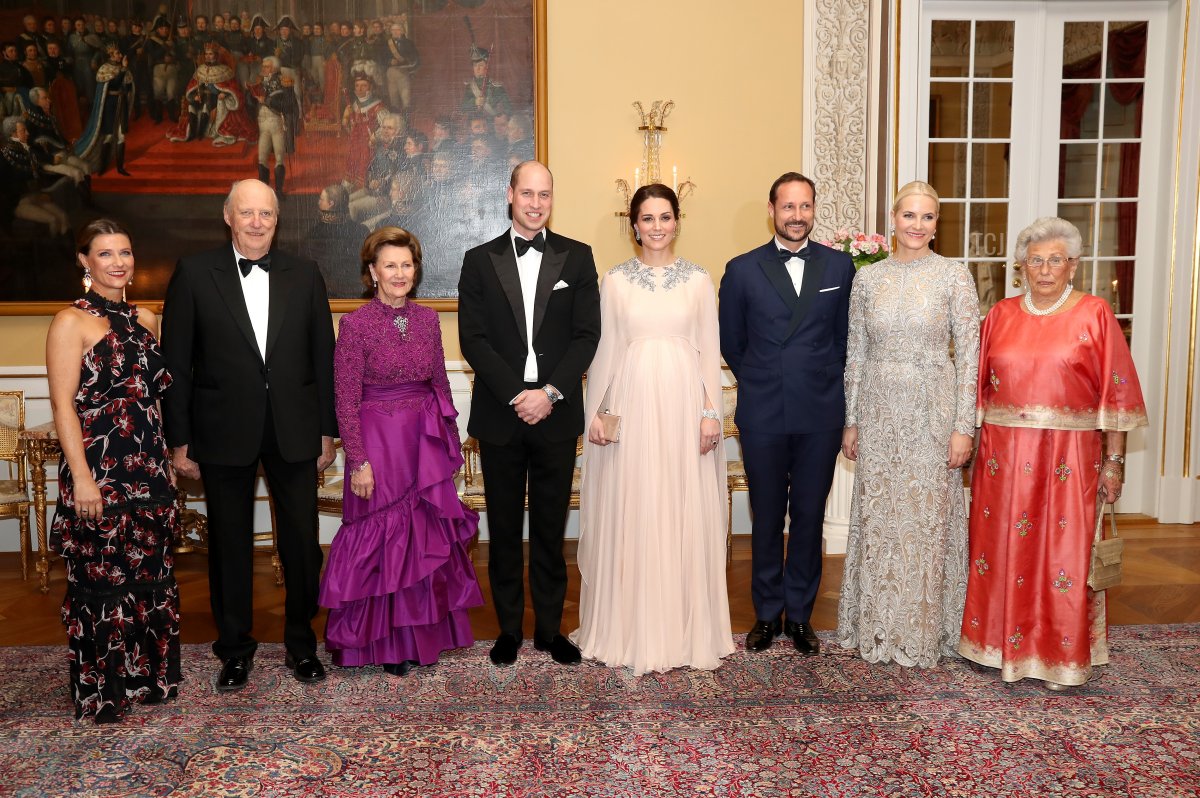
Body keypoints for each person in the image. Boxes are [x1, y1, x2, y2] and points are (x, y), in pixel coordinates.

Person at [161, 178, 337, 690]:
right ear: (228, 216)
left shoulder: (304, 274)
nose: (257, 222)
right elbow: (177, 364)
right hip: (221, 431)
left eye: (266, 213)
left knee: (303, 544)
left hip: (295, 430)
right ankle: (234, 650)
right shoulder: (194, 274)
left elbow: (322, 359)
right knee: (229, 545)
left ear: (276, 220)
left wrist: (328, 431)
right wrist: (180, 438)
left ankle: (302, 644)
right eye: (248, 213)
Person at [959, 217, 1147, 690]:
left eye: (1055, 260)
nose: (1044, 270)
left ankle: (1058, 654)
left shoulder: (1094, 314)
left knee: (1063, 554)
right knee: (999, 547)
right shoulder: (999, 314)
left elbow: (1117, 395)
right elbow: (975, 390)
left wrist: (1115, 461)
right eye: (1035, 261)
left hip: (1069, 457)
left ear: (1073, 266)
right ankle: (996, 646)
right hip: (1001, 458)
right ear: (1021, 267)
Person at [570, 183, 733, 674]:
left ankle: (685, 631)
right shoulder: (614, 281)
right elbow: (605, 352)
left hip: (685, 407)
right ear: (634, 225)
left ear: (677, 221)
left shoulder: (701, 281)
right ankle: (627, 627)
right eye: (647, 218)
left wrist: (711, 415)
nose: (657, 227)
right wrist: (595, 411)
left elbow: (709, 349)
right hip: (633, 407)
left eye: (665, 217)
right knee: (637, 508)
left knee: (681, 509)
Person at [320, 227, 483, 675]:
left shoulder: (429, 319)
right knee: (384, 538)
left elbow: (441, 382)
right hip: (378, 442)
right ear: (372, 272)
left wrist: (448, 441)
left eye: (406, 265)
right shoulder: (354, 325)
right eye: (389, 265)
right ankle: (382, 646)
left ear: (416, 270)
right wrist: (359, 460)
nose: (399, 273)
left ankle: (420, 637)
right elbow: (345, 399)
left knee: (422, 538)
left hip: (422, 442)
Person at [458, 160, 601, 666]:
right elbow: (471, 338)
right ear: (510, 194)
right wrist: (516, 395)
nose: (536, 204)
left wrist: (552, 393)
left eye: (545, 194)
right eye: (527, 194)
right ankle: (508, 632)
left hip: (556, 413)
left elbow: (587, 336)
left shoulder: (578, 258)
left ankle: (549, 629)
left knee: (548, 526)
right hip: (501, 413)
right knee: (502, 528)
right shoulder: (478, 260)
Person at [835, 181, 979, 667]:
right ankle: (876, 626)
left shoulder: (954, 277)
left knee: (927, 521)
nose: (917, 226)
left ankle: (925, 630)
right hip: (878, 412)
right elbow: (855, 353)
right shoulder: (868, 280)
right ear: (892, 218)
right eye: (909, 215)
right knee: (881, 519)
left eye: (928, 217)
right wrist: (851, 419)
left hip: (933, 413)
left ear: (937, 224)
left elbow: (971, 359)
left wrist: (965, 426)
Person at [46, 219, 181, 723]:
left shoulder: (147, 318)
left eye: (124, 252)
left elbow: (157, 400)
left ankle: (149, 679)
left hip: (148, 465)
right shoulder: (70, 322)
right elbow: (63, 407)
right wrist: (81, 477)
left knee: (150, 576)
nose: (118, 262)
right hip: (99, 468)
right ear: (85, 261)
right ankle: (103, 691)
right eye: (105, 254)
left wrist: (167, 457)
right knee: (102, 580)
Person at [719, 172, 856, 655]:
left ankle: (799, 616)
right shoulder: (742, 270)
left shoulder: (840, 268)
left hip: (820, 412)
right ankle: (764, 614)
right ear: (772, 210)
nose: (797, 216)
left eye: (805, 207)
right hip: (764, 413)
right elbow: (732, 343)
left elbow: (846, 342)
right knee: (766, 515)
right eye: (788, 207)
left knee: (808, 516)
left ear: (814, 209)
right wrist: (764, 378)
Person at [306, 182, 369, 298]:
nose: (318, 202)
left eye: (321, 199)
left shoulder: (315, 233)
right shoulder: (362, 230)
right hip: (355, 293)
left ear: (330, 204)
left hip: (328, 294)